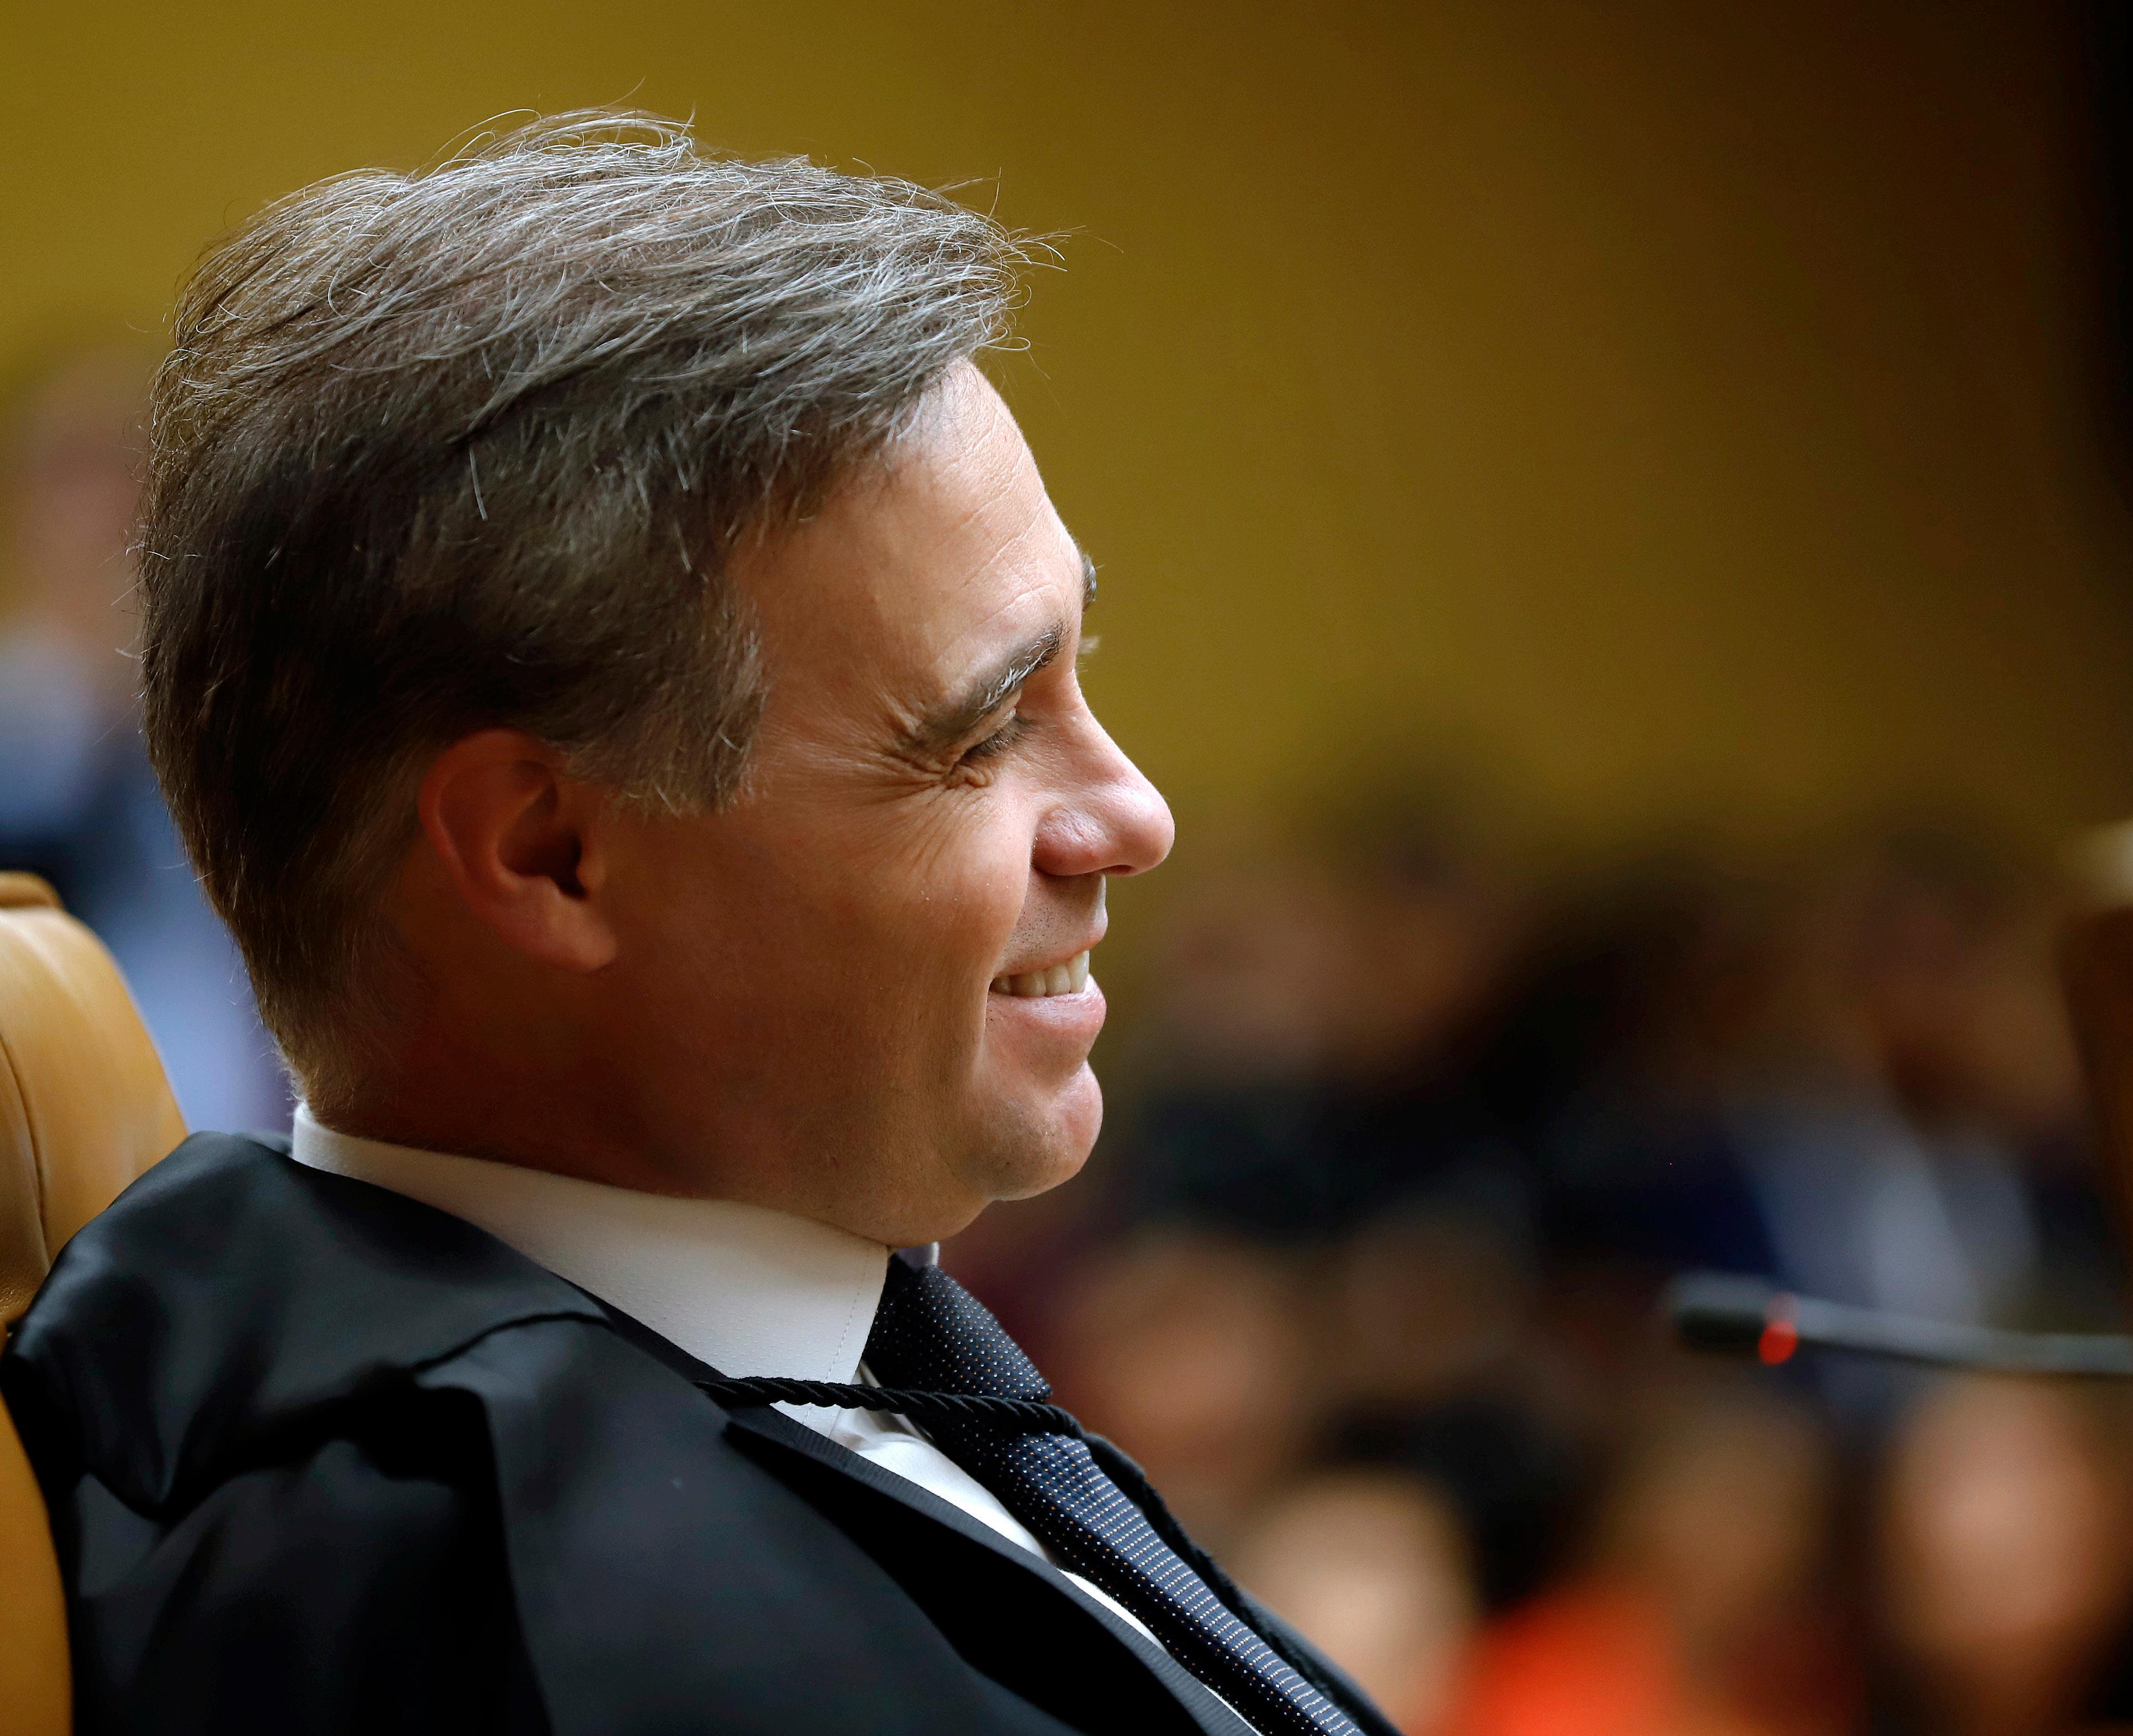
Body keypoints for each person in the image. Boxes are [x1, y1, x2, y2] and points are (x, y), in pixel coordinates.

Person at [0, 113, 1396, 1736]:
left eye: (1082, 671)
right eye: (977, 734)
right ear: (549, 855)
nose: (1134, 816)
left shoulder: (691, 1368)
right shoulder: (570, 1624)